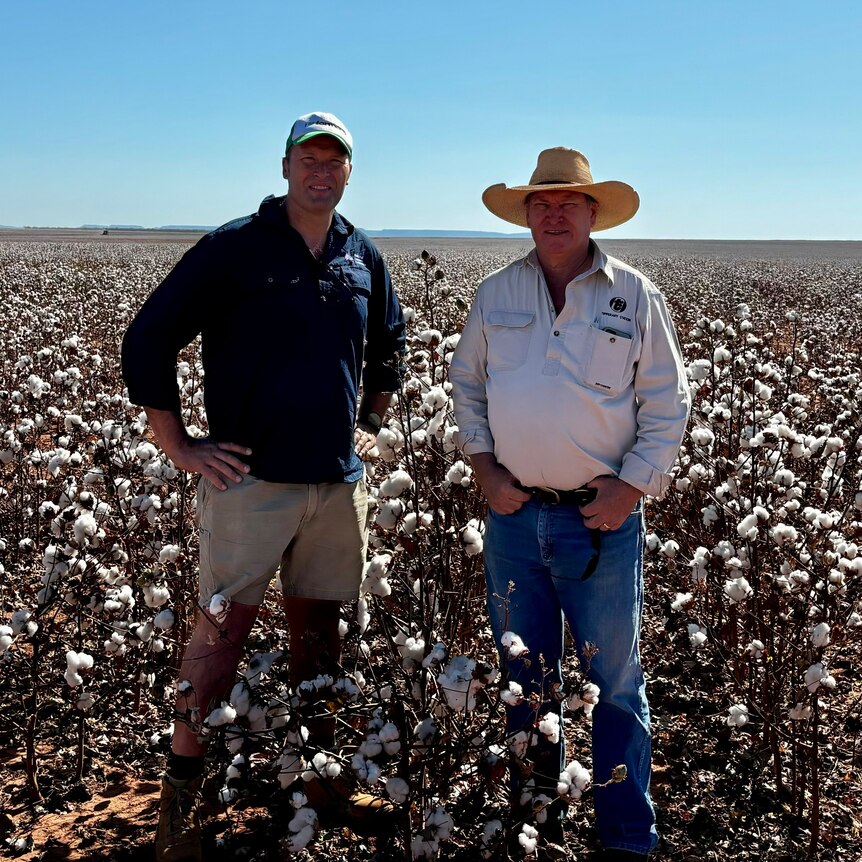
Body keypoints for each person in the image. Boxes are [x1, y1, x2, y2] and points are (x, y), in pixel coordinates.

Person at [121, 111, 406, 862]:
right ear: (284, 167)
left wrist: (370, 424)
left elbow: (389, 348)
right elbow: (149, 336)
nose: (321, 171)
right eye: (307, 159)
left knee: (322, 636)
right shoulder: (233, 249)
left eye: (334, 161)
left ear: (349, 171)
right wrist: (178, 444)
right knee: (220, 635)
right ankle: (179, 803)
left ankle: (320, 785)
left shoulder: (361, 256)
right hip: (250, 485)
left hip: (336, 487)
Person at [449, 147, 690, 861]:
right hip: (515, 521)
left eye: (568, 203)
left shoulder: (635, 296)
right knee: (525, 678)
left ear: (592, 213)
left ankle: (625, 839)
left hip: (601, 525)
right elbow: (468, 388)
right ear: (526, 215)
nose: (554, 214)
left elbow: (667, 403)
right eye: (541, 204)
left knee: (614, 682)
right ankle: (535, 823)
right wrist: (485, 469)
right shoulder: (496, 294)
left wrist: (632, 486)